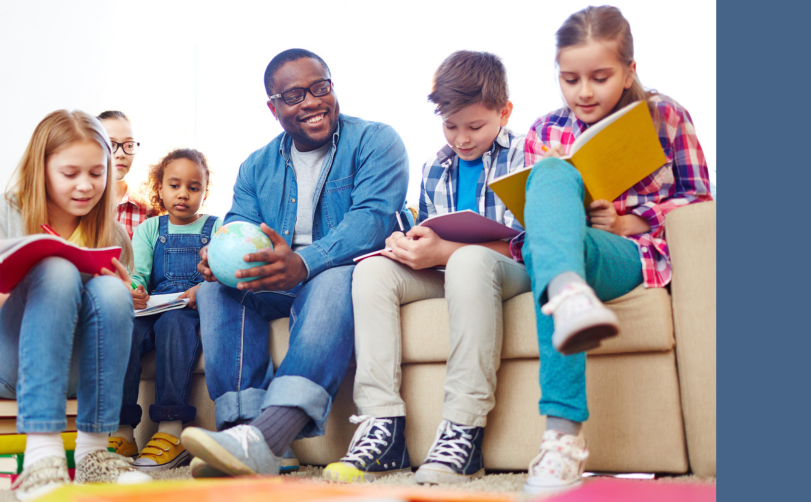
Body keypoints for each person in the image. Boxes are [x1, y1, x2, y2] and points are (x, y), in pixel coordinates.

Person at [178, 48, 410, 477]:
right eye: (294, 95)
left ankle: (268, 436)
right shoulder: (256, 166)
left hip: (337, 272)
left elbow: (372, 221)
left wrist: (304, 263)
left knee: (336, 277)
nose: (311, 102)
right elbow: (237, 228)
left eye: (320, 87)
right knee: (216, 291)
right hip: (280, 279)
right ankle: (243, 433)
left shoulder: (376, 141)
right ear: (274, 107)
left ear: (332, 86)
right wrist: (218, 260)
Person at [518, 6, 712, 495]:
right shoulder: (545, 130)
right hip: (570, 248)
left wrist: (631, 221)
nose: (584, 92)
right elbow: (527, 222)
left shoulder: (665, 115)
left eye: (600, 77)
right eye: (570, 79)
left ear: (629, 70)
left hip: (631, 256)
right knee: (551, 174)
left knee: (549, 255)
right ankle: (569, 294)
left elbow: (700, 201)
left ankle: (560, 441)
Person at [322, 51, 531, 485]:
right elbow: (432, 229)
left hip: (506, 270)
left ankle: (462, 429)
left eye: (475, 126)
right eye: (451, 126)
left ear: (504, 112)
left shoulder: (527, 155)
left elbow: (530, 244)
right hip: (449, 272)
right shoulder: (436, 165)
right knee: (373, 270)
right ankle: (382, 428)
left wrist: (445, 251)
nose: (462, 138)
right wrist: (409, 243)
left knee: (470, 260)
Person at [0, 110, 152, 501]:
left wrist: (123, 297)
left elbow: (111, 318)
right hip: (2, 364)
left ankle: (94, 456)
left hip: (74, 370)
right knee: (55, 269)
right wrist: (20, 288)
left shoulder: (109, 232)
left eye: (97, 173)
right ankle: (42, 458)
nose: (85, 186)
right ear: (41, 169)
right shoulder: (5, 211)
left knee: (111, 293)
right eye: (70, 173)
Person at [107, 149, 221, 473]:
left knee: (173, 324)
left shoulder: (217, 227)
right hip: (153, 308)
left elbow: (224, 270)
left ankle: (171, 431)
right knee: (124, 328)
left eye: (193, 187)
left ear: (205, 192)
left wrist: (205, 288)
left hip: (188, 311)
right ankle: (122, 431)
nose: (183, 194)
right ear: (160, 188)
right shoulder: (149, 229)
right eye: (174, 185)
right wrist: (134, 291)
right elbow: (138, 274)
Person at [98, 110, 156, 240]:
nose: (120, 154)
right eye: (111, 144)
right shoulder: (80, 206)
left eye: (129, 145)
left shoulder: (148, 211)